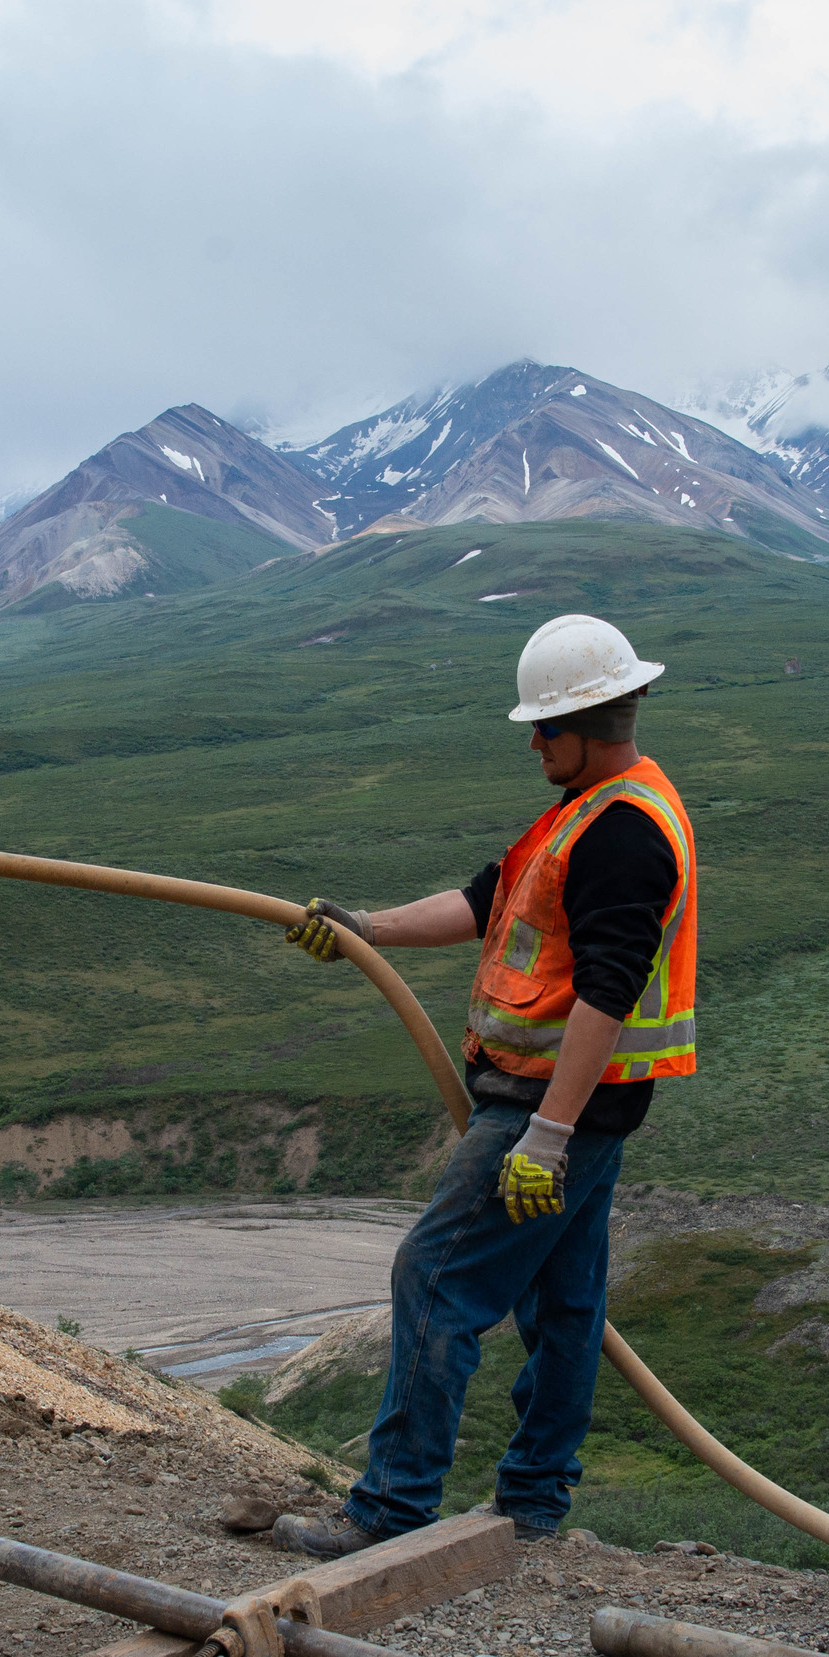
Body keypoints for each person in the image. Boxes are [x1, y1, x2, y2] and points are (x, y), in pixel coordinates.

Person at [273, 613, 697, 1558]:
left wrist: (546, 1137)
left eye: (542, 729)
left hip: (548, 1108)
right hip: (567, 1106)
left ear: (587, 724)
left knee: (434, 1275)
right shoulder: (586, 807)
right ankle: (534, 1505)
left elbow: (608, 992)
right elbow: (484, 899)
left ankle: (389, 1508)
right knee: (564, 1305)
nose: (533, 743)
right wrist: (365, 930)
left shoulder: (624, 831)